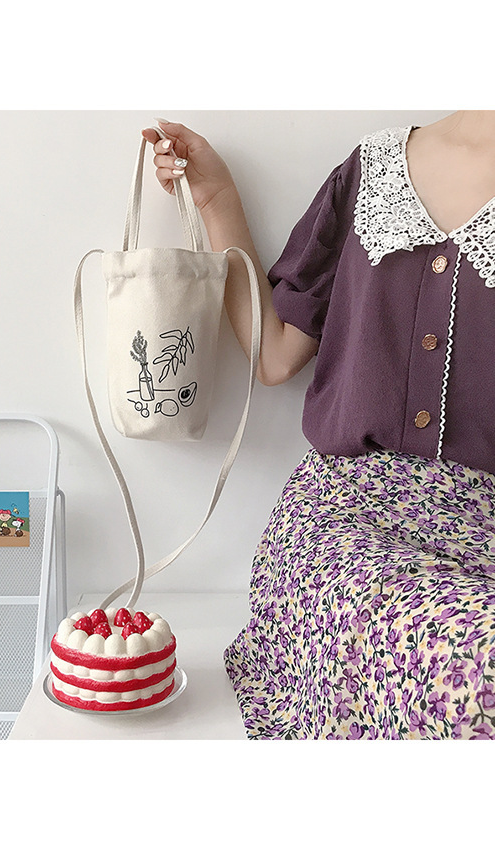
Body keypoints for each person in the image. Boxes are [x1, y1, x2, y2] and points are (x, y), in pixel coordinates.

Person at [142, 114, 495, 739]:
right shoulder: (373, 171)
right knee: (472, 664)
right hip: (346, 522)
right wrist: (217, 198)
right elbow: (275, 355)